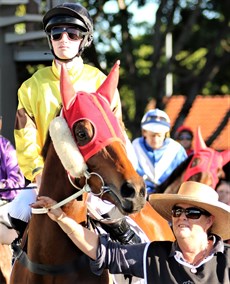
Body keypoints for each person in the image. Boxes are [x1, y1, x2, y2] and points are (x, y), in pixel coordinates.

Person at [0, 3, 139, 248]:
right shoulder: (31, 87)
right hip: (46, 177)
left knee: (112, 216)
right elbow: (24, 136)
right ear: (50, 40)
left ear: (83, 40)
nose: (64, 39)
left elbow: (117, 132)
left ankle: (131, 257)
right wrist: (37, 172)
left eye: (72, 34)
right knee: (17, 212)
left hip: (93, 177)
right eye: (57, 34)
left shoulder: (99, 81)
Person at [32, 181, 230, 283]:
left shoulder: (228, 260)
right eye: (177, 211)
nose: (182, 217)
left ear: (209, 220)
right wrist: (61, 218)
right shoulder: (153, 255)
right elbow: (104, 252)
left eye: (192, 212)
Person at [132, 109, 187, 195]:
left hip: (169, 198)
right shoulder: (134, 148)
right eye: (152, 135)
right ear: (144, 132)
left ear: (165, 133)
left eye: (159, 135)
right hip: (139, 196)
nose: (156, 139)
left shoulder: (177, 151)